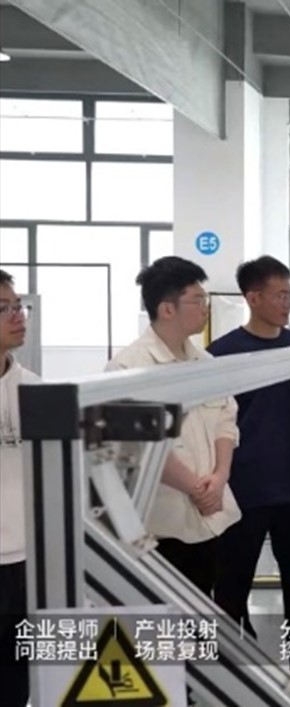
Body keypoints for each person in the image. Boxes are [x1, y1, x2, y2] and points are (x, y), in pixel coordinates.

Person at [208, 256, 290, 673]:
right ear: (253, 298)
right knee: (231, 585)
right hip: (244, 490)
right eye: (280, 295)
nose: (288, 302)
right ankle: (231, 668)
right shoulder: (222, 354)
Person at [106, 257, 241, 596]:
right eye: (197, 300)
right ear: (167, 309)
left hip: (210, 517)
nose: (205, 307)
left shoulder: (206, 363)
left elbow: (226, 420)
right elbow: (138, 447)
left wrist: (220, 476)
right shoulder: (127, 368)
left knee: (202, 611)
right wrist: (197, 488)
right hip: (160, 527)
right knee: (163, 620)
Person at [0, 270, 40, 707]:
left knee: (15, 681)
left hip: (23, 561)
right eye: (3, 308)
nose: (17, 316)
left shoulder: (35, 390)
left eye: (18, 306)